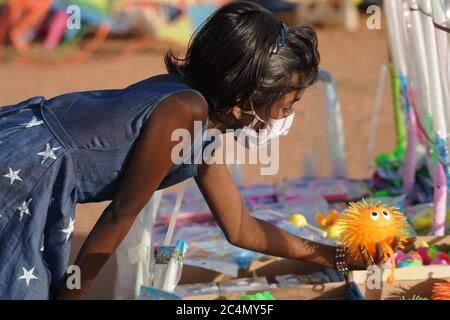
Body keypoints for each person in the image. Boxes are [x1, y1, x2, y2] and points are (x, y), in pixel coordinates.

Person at [0, 1, 395, 300]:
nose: (286, 117)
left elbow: (241, 227)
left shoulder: (200, 129)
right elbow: (120, 214)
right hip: (25, 170)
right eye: (286, 105)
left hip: (32, 165)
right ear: (244, 98)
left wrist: (336, 257)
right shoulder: (185, 111)